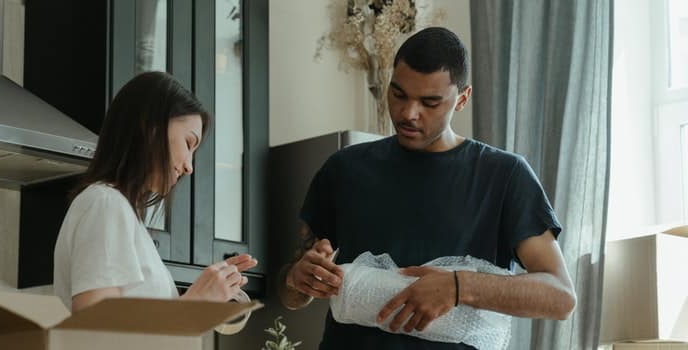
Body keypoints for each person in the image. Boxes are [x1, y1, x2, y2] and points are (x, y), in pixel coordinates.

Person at [278, 27, 576, 349]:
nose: (408, 113)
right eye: (398, 94)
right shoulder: (343, 169)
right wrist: (298, 279)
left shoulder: (505, 176)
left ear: (462, 99)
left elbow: (559, 296)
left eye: (430, 102)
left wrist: (460, 287)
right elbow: (291, 296)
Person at [54, 71, 257, 312]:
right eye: (188, 143)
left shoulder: (123, 214)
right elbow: (95, 329)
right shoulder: (106, 203)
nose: (189, 167)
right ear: (150, 128)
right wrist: (195, 304)